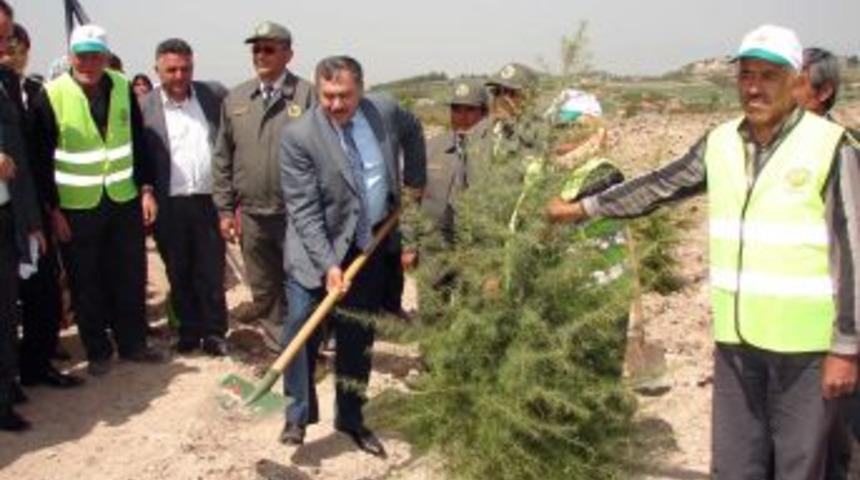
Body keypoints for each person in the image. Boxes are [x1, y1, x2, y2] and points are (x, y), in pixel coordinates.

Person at [547, 25, 860, 479]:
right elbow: (659, 185)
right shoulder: (721, 142)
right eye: (745, 75)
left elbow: (853, 252)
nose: (753, 87)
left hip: (806, 351)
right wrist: (583, 208)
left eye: (768, 76)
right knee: (735, 465)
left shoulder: (832, 148)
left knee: (801, 466)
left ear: (796, 81)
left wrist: (847, 348)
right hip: (736, 345)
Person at [279, 55, 426, 456]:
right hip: (315, 252)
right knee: (300, 327)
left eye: (344, 95)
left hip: (368, 245)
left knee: (357, 336)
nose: (336, 105)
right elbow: (305, 212)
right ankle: (298, 414)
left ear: (361, 88)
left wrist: (415, 179)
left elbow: (414, 130)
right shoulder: (299, 136)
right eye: (327, 96)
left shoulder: (385, 111)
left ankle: (351, 417)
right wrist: (329, 264)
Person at [30, 24, 164, 377]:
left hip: (122, 199)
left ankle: (133, 343)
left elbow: (138, 142)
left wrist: (146, 189)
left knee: (129, 273)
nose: (88, 62)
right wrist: (52, 210)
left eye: (95, 55)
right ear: (71, 56)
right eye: (81, 55)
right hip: (76, 206)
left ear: (106, 57)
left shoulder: (121, 86)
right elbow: (39, 159)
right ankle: (99, 350)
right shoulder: (52, 94)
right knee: (85, 280)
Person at [212, 21, 314, 345]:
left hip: (296, 213)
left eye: (269, 49)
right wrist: (225, 210)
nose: (260, 55)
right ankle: (279, 349)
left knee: (302, 283)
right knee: (264, 286)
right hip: (253, 214)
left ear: (289, 54)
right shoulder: (236, 98)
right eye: (256, 49)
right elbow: (222, 157)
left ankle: (308, 347)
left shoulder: (308, 96)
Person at [4, 22, 83, 389]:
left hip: (37, 204)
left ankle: (37, 364)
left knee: (44, 291)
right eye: (7, 45)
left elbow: (46, 154)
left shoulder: (36, 92)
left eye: (18, 45)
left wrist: (49, 208)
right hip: (12, 208)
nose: (12, 52)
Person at [794, 46, 860, 480]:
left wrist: (847, 341)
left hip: (839, 319)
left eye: (792, 83)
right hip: (795, 324)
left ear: (823, 93)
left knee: (838, 434)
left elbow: (851, 249)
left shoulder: (841, 153)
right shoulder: (778, 150)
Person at [140, 38, 229, 356]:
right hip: (170, 204)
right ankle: (188, 331)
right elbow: (141, 158)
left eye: (186, 68)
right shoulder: (143, 107)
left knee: (211, 270)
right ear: (157, 70)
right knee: (179, 271)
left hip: (209, 200)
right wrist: (146, 191)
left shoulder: (213, 95)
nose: (179, 76)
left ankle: (215, 333)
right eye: (172, 69)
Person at [0, 0, 44, 431]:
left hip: (9, 213)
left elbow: (22, 160)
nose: (5, 46)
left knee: (7, 311)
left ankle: (7, 385)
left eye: (7, 37)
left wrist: (30, 219)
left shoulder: (7, 84)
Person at [421, 80, 491, 242]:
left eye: (470, 110)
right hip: (433, 245)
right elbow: (411, 199)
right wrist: (409, 245)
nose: (462, 116)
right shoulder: (430, 148)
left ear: (485, 114)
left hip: (479, 247)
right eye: (456, 109)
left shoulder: (495, 153)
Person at [484, 62, 545, 158]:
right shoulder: (481, 133)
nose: (503, 99)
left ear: (530, 97)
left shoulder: (542, 131)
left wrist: (513, 126)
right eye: (497, 92)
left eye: (511, 93)